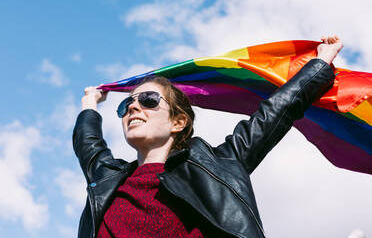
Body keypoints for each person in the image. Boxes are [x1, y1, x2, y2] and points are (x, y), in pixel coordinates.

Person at [73, 36, 343, 238]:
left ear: (178, 122)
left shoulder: (217, 165)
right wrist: (90, 103)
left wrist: (319, 64)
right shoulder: (107, 179)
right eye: (126, 105)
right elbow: (88, 144)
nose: (133, 107)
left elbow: (273, 114)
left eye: (148, 100)